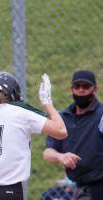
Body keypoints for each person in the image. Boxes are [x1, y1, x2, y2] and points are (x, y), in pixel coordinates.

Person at [0, 72, 67, 200]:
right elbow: (61, 131)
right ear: (13, 93)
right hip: (7, 191)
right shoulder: (19, 113)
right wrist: (47, 103)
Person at [43, 70, 103, 200]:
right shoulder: (63, 117)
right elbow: (47, 153)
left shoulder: (101, 115)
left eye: (86, 86)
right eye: (77, 86)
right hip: (78, 187)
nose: (81, 90)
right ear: (71, 89)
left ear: (95, 89)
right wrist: (60, 156)